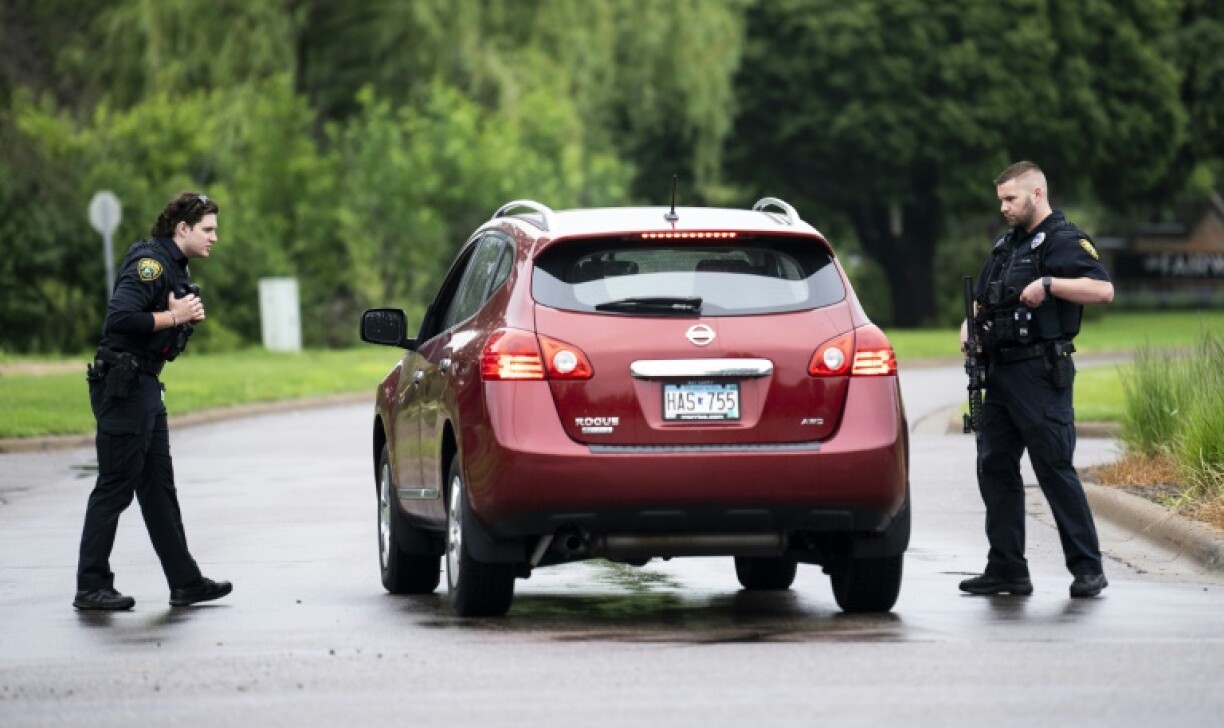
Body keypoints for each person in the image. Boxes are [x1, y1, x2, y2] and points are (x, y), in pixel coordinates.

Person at [958, 161, 1114, 599]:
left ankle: (1087, 569)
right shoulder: (1006, 246)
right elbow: (980, 303)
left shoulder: (1064, 240)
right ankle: (1007, 568)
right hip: (1000, 375)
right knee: (994, 466)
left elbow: (1103, 290)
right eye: (1001, 200)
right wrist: (968, 329)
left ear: (1037, 194)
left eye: (1011, 199)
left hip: (1041, 373)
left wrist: (1051, 283)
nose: (1004, 207)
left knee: (1052, 468)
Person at [73, 192, 233, 610]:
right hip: (124, 388)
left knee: (159, 489)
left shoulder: (174, 267)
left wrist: (180, 318)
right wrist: (176, 317)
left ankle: (186, 582)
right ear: (183, 228)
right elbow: (120, 318)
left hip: (145, 386)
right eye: (208, 229)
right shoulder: (151, 265)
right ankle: (91, 586)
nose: (215, 237)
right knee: (114, 487)